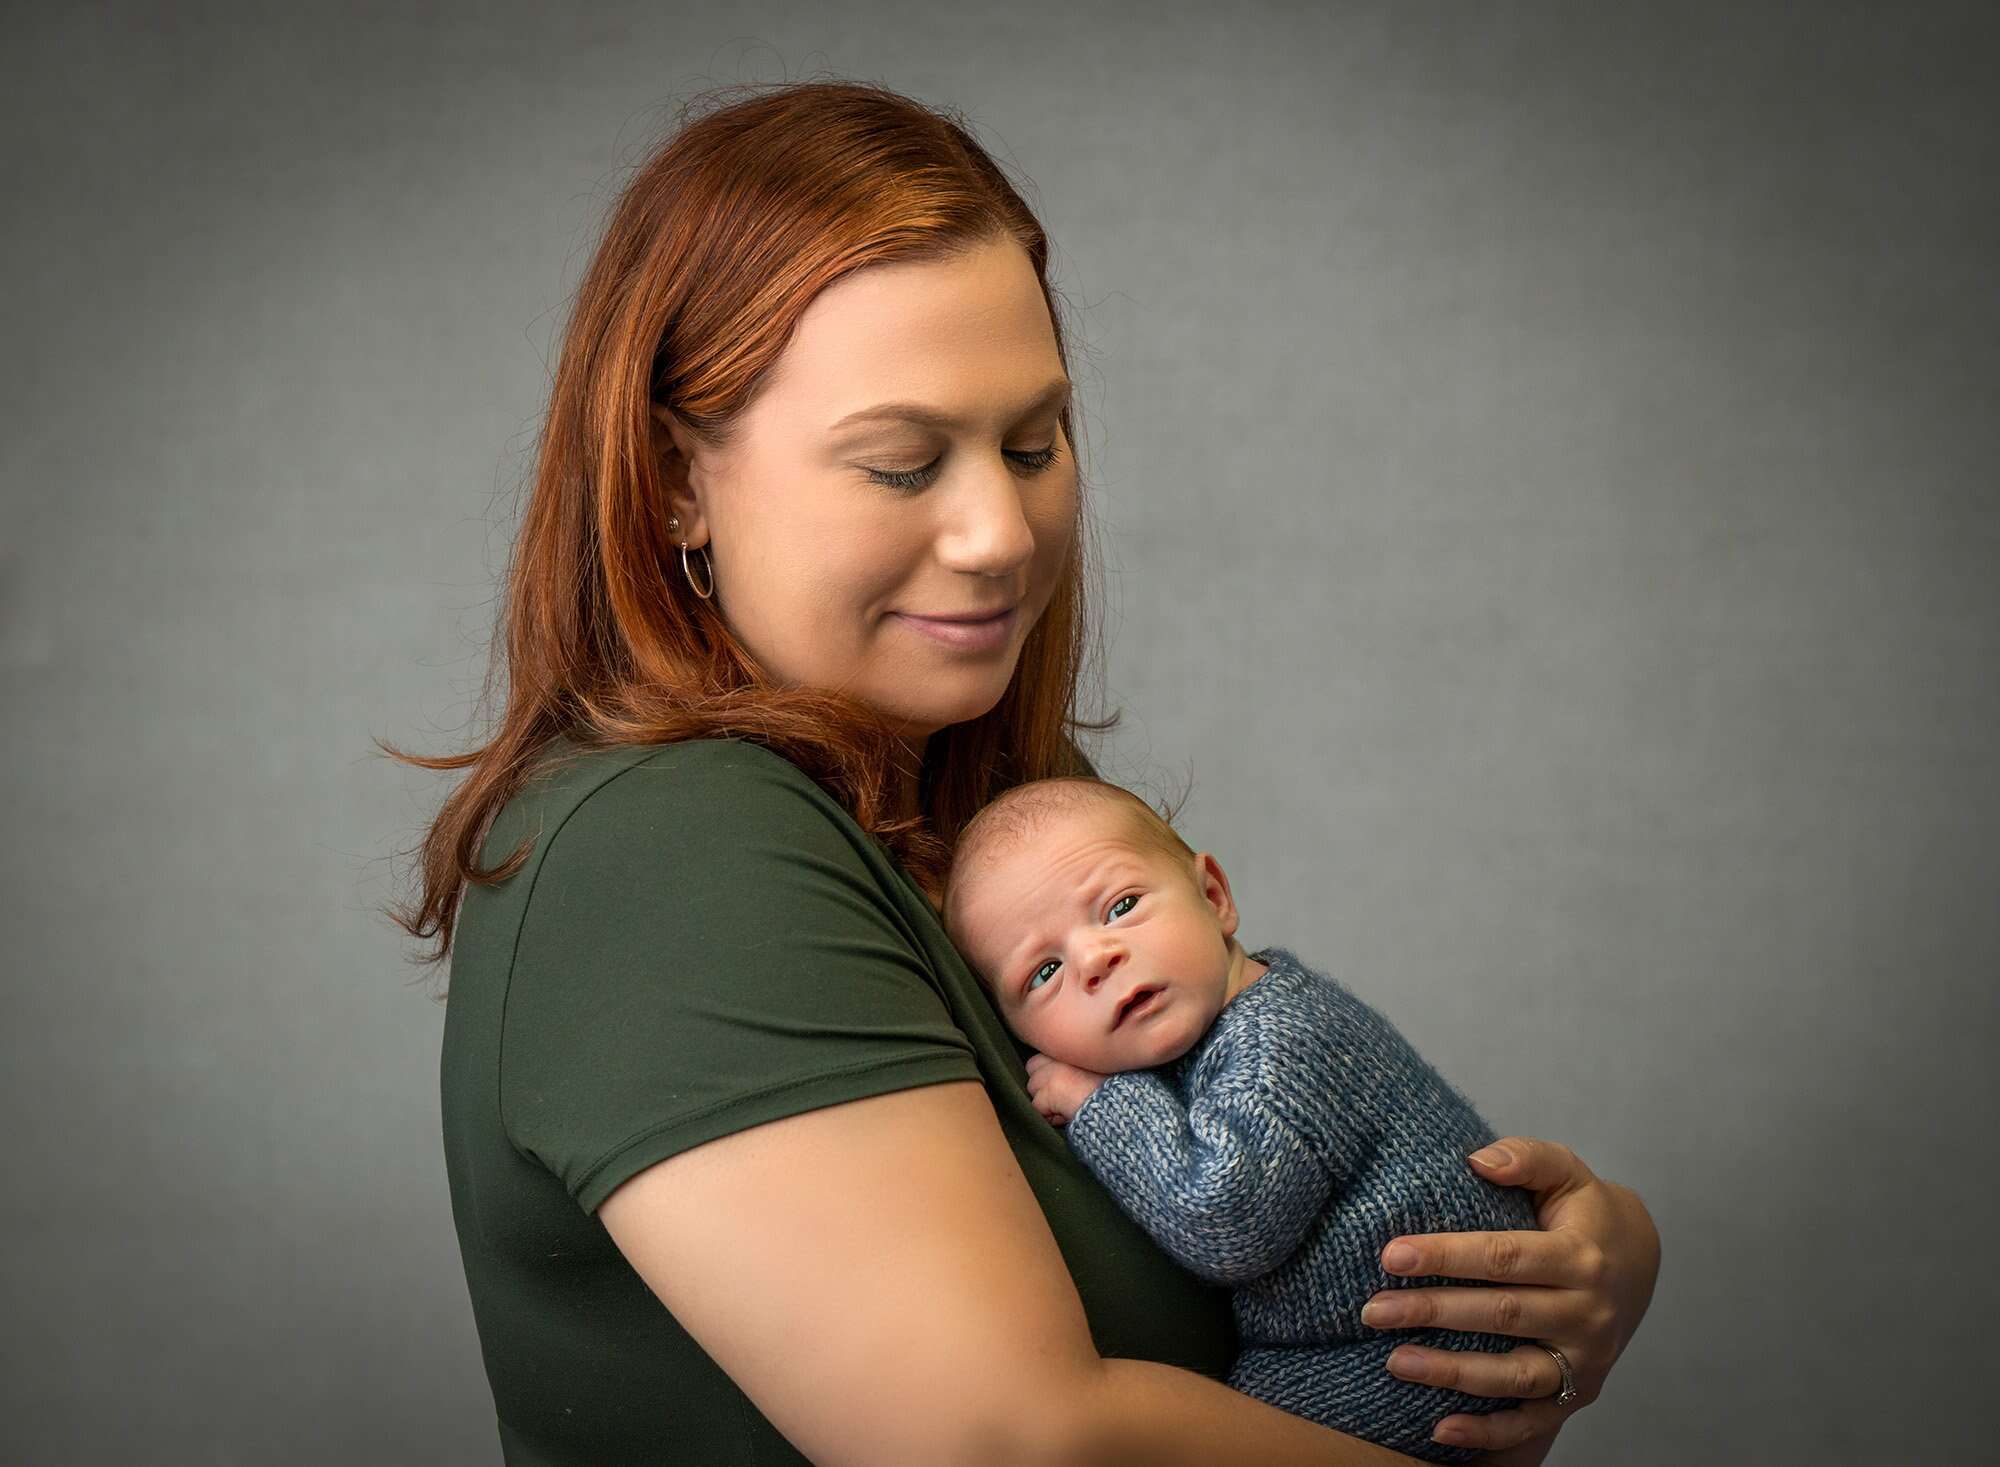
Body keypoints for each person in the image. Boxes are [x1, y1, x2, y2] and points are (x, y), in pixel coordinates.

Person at [389, 79, 1661, 1467]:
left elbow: (1282, 1194)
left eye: (1034, 441)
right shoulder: (674, 846)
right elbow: (1013, 1440)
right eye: (898, 464)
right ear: (673, 480)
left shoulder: (970, 816)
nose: (1000, 530)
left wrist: (1577, 1259)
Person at [940, 775, 1548, 1463]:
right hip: (1392, 1343)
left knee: (1216, 1436)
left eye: (1121, 906)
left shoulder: (1281, 1039)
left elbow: (1227, 1219)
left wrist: (1100, 1103)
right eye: (1043, 972)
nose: (1093, 959)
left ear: (1213, 897)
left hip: (1422, 1355)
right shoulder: (1225, 1023)